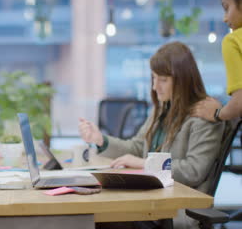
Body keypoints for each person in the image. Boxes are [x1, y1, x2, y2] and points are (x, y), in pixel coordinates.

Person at [78, 42, 224, 229]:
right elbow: (138, 148)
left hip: (172, 211)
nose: (155, 86)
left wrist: (144, 164)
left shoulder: (204, 115)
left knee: (99, 220)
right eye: (154, 78)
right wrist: (99, 139)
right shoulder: (162, 109)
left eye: (163, 80)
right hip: (152, 201)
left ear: (182, 79)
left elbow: (193, 171)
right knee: (95, 216)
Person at [193, 0, 242, 122]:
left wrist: (216, 114)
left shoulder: (233, 40)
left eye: (227, 8)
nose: (225, 18)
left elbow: (239, 103)